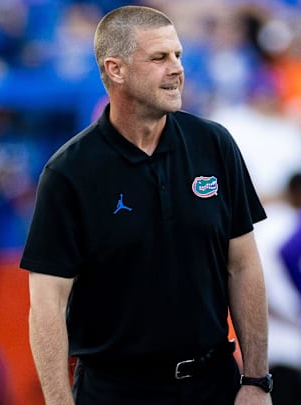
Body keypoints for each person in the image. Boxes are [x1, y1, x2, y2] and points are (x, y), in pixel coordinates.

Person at [19, 6, 272, 405]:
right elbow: (47, 302)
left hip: (214, 383)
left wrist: (257, 380)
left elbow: (243, 265)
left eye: (178, 55)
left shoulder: (214, 144)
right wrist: (58, 401)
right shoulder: (69, 172)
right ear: (115, 69)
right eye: (159, 58)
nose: (176, 69)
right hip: (115, 391)